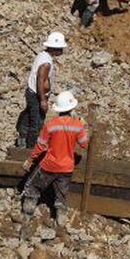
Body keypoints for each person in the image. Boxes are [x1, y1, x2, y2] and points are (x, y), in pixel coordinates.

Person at [20, 90, 88, 236]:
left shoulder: (50, 124)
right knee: (61, 196)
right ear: (71, 108)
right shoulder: (77, 125)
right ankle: (60, 221)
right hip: (66, 168)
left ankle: (27, 215)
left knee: (32, 187)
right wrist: (82, 125)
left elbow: (41, 145)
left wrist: (30, 159)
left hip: (49, 165)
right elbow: (83, 144)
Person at [16, 32, 66, 147]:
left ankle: (22, 139)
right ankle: (31, 147)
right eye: (60, 48)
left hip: (33, 92)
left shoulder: (43, 55)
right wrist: (43, 100)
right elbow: (40, 79)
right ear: (55, 48)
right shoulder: (46, 63)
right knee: (36, 123)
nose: (62, 51)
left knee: (30, 116)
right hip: (37, 95)